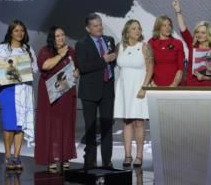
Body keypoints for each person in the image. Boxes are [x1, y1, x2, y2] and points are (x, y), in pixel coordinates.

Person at [0, 20, 38, 171]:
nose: (20, 33)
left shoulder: (28, 50)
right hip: (8, 90)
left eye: (22, 31)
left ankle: (17, 156)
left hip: (24, 89)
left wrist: (28, 70)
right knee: (9, 124)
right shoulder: (2, 49)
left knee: (20, 126)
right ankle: (7, 155)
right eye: (16, 30)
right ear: (10, 32)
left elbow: (35, 69)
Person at [75, 13, 116, 169]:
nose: (99, 28)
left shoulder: (109, 40)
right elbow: (84, 67)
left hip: (107, 89)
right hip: (90, 91)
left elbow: (112, 61)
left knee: (107, 126)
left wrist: (113, 59)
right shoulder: (82, 44)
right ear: (88, 28)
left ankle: (107, 160)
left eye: (100, 24)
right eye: (95, 26)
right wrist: (103, 60)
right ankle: (90, 159)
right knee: (90, 127)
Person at [35, 25, 79, 170]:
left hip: (67, 94)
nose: (61, 38)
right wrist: (60, 55)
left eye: (62, 35)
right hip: (50, 95)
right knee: (52, 125)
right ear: (52, 38)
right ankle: (52, 158)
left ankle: (65, 156)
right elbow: (45, 66)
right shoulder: (45, 51)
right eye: (57, 36)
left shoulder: (71, 51)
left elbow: (77, 67)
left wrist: (77, 73)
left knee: (66, 125)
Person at [114, 19, 153, 168]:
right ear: (127, 32)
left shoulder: (144, 47)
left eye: (139, 28)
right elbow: (113, 60)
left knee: (139, 122)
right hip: (124, 88)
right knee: (127, 122)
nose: (138, 31)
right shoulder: (120, 47)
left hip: (139, 87)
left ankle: (139, 155)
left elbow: (150, 68)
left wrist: (144, 87)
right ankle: (127, 155)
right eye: (134, 29)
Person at [172, 0, 211, 86]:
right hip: (191, 85)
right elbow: (183, 28)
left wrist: (204, 77)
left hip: (207, 87)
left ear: (209, 34)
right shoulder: (193, 45)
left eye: (203, 32)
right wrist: (178, 10)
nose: (199, 34)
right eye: (197, 32)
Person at [148, 15, 184, 86]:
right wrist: (152, 83)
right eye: (164, 25)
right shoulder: (151, 43)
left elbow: (181, 68)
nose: (168, 28)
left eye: (169, 25)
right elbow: (148, 66)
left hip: (174, 86)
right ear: (158, 27)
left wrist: (173, 85)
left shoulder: (178, 43)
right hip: (155, 86)